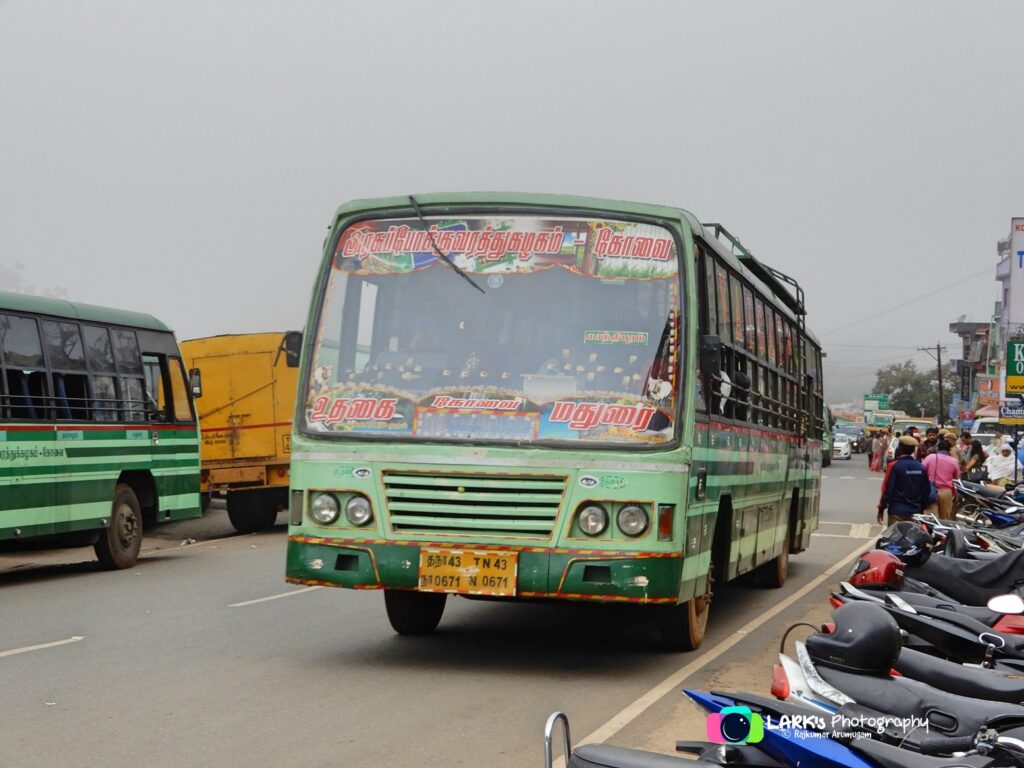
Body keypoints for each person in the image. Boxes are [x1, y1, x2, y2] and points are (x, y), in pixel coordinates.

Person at [877, 435, 932, 525]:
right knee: (913, 538)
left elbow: (888, 489)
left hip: (897, 512)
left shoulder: (894, 466)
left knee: (894, 538)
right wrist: (920, 508)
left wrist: (881, 508)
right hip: (915, 511)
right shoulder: (921, 467)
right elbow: (926, 491)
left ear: (900, 448)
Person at [922, 438, 959, 519]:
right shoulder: (953, 461)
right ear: (949, 450)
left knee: (930, 518)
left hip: (930, 490)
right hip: (946, 492)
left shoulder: (930, 457)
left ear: (937, 448)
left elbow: (922, 472)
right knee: (944, 518)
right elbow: (956, 477)